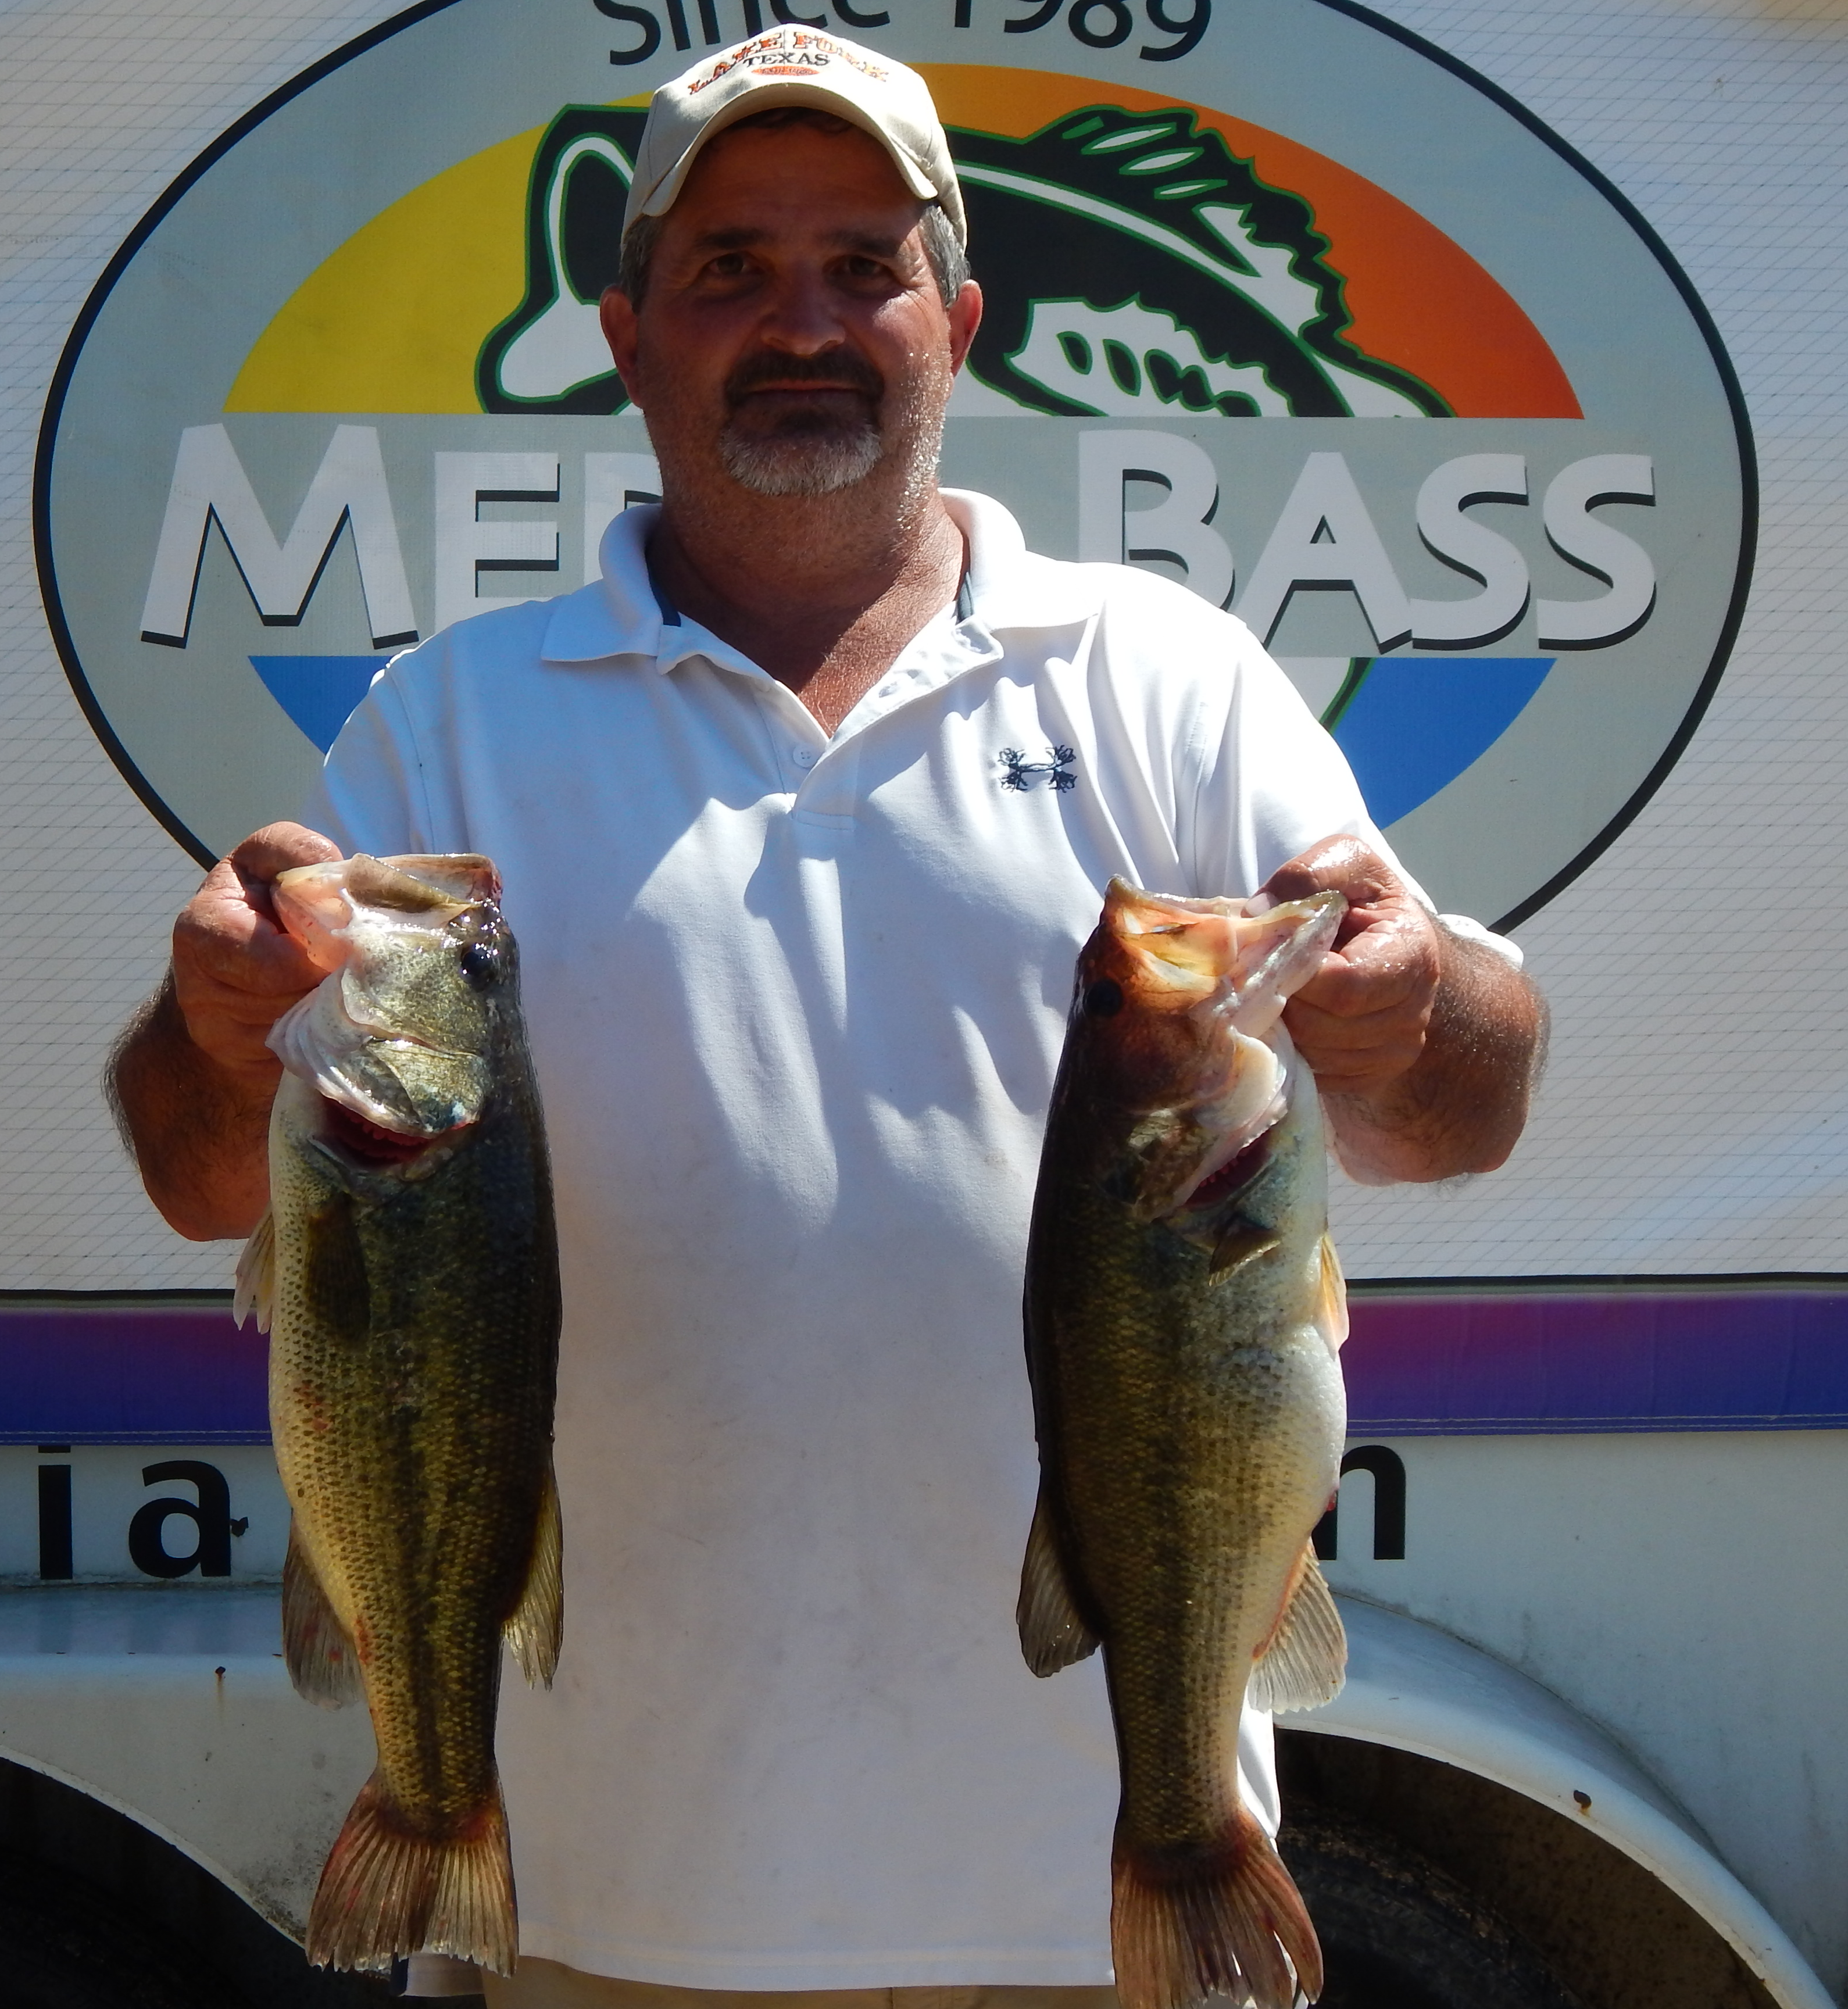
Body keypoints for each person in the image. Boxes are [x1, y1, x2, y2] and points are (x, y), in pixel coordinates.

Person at [110, 30, 1542, 2009]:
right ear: (628, 339)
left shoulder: (1170, 680)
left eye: (863, 266)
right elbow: (206, 1181)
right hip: (611, 1907)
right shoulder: (447, 722)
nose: (803, 324)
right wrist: (211, 1022)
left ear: (960, 321)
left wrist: (1415, 1009)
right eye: (730, 270)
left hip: (1093, 1905)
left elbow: (1465, 1104)